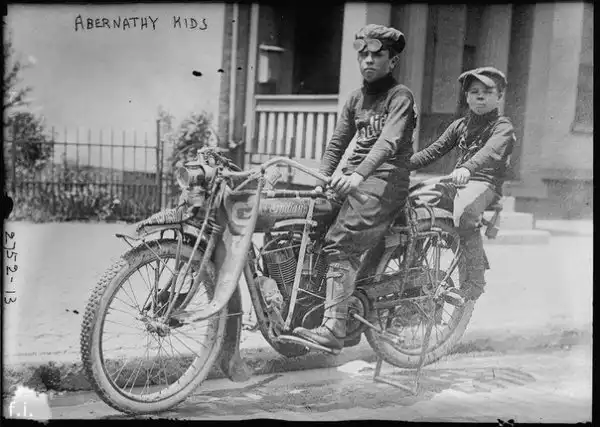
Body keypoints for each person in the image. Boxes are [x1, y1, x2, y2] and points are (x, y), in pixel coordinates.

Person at [293, 24, 418, 350]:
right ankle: (304, 310)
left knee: (342, 240)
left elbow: (388, 143)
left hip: (386, 180)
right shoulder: (355, 98)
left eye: (377, 55)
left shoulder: (400, 97)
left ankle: (335, 329)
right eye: (363, 55)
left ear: (392, 61)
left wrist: (357, 176)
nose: (368, 61)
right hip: (355, 177)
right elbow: (337, 144)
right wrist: (321, 181)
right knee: (306, 219)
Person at [409, 66, 516, 302]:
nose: (480, 97)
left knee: (465, 213)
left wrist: (467, 168)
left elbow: (489, 152)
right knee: (415, 205)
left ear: (499, 96)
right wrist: (401, 165)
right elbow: (433, 150)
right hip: (457, 180)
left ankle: (475, 282)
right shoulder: (460, 125)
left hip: (485, 183)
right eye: (474, 92)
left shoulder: (502, 127)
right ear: (466, 97)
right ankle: (412, 272)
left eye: (487, 92)